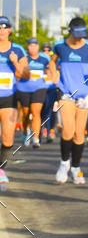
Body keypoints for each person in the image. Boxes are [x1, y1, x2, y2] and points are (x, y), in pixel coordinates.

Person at [49, 17, 88, 185]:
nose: (79, 39)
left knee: (79, 133)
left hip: (84, 93)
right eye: (77, 35)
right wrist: (53, 75)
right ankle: (64, 164)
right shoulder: (60, 46)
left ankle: (76, 168)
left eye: (82, 35)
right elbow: (52, 62)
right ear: (70, 32)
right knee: (68, 130)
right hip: (66, 92)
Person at [0, 17, 30, 189]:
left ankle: (0, 169)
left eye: (5, 27)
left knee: (7, 137)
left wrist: (15, 62)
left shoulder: (17, 50)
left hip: (9, 98)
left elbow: (26, 75)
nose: (1, 30)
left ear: (9, 30)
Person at [16, 38, 50, 149]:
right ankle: (26, 133)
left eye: (35, 45)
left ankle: (36, 139)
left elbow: (49, 72)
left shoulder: (44, 58)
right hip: (24, 88)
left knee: (36, 112)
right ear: (28, 47)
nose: (33, 48)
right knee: (26, 113)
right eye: (30, 45)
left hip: (39, 88)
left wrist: (49, 78)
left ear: (38, 46)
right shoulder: (24, 58)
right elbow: (18, 72)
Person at [40, 42, 57, 142]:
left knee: (50, 110)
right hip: (41, 89)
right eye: (44, 50)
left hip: (52, 89)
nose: (46, 52)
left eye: (48, 50)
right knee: (41, 111)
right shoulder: (40, 61)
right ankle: (39, 133)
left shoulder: (54, 62)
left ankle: (50, 131)